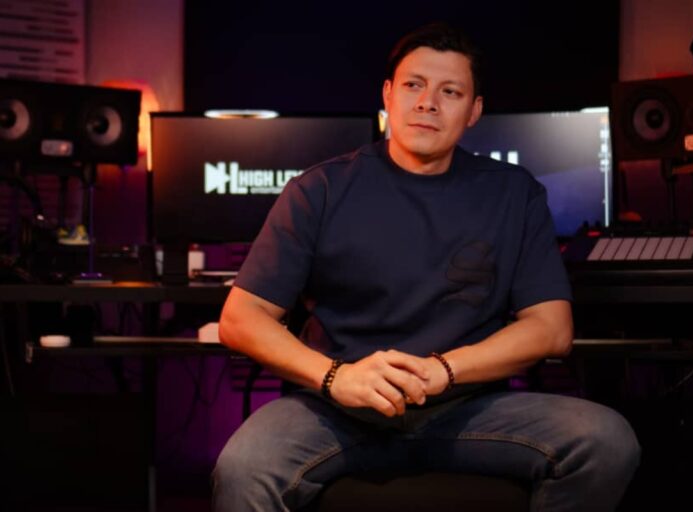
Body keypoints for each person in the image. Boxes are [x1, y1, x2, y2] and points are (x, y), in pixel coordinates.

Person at [213, 22, 640, 512]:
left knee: (606, 441)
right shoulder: (319, 190)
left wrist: (444, 371)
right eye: (413, 85)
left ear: (474, 110)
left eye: (450, 91)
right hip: (336, 409)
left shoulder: (513, 193)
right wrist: (336, 377)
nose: (427, 103)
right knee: (244, 467)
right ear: (388, 94)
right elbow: (240, 319)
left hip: (469, 409)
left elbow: (551, 329)